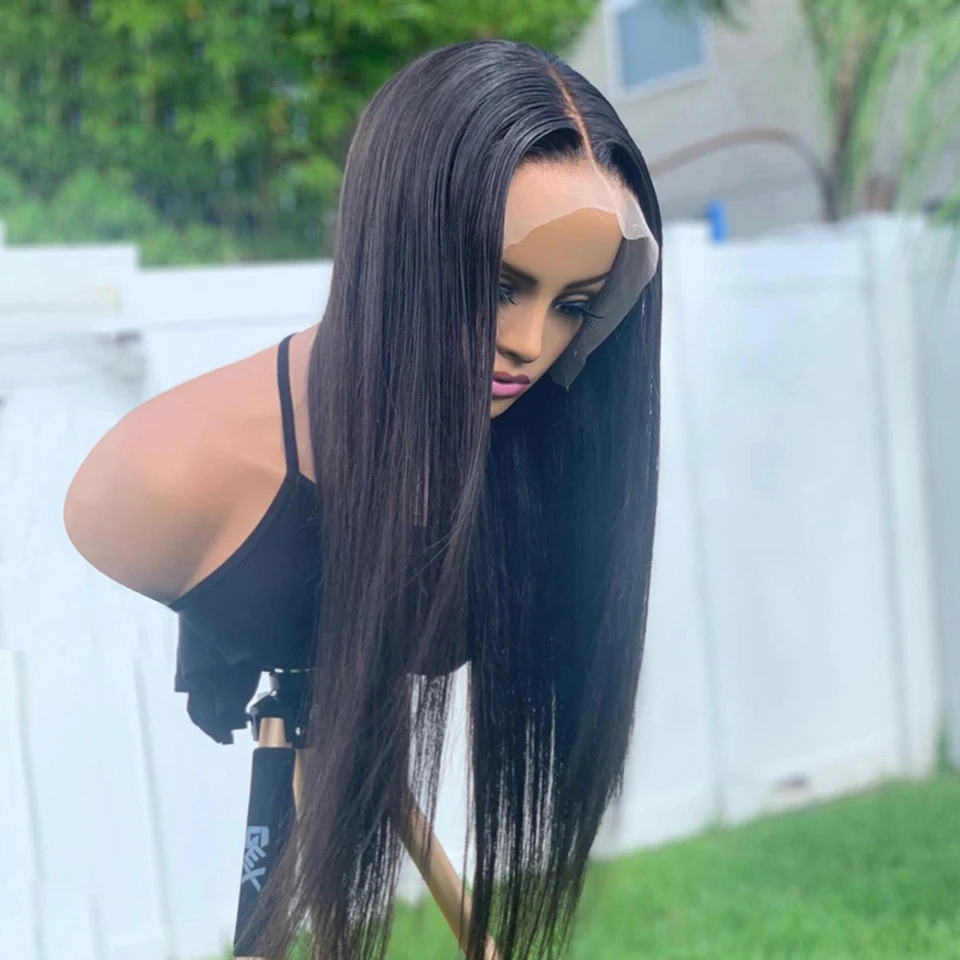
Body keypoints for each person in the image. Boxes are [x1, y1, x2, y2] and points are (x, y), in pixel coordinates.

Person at [63, 38, 662, 960]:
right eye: (498, 286)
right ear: (396, 248)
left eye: (574, 306)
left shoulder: (521, 465)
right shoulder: (159, 477)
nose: (529, 344)